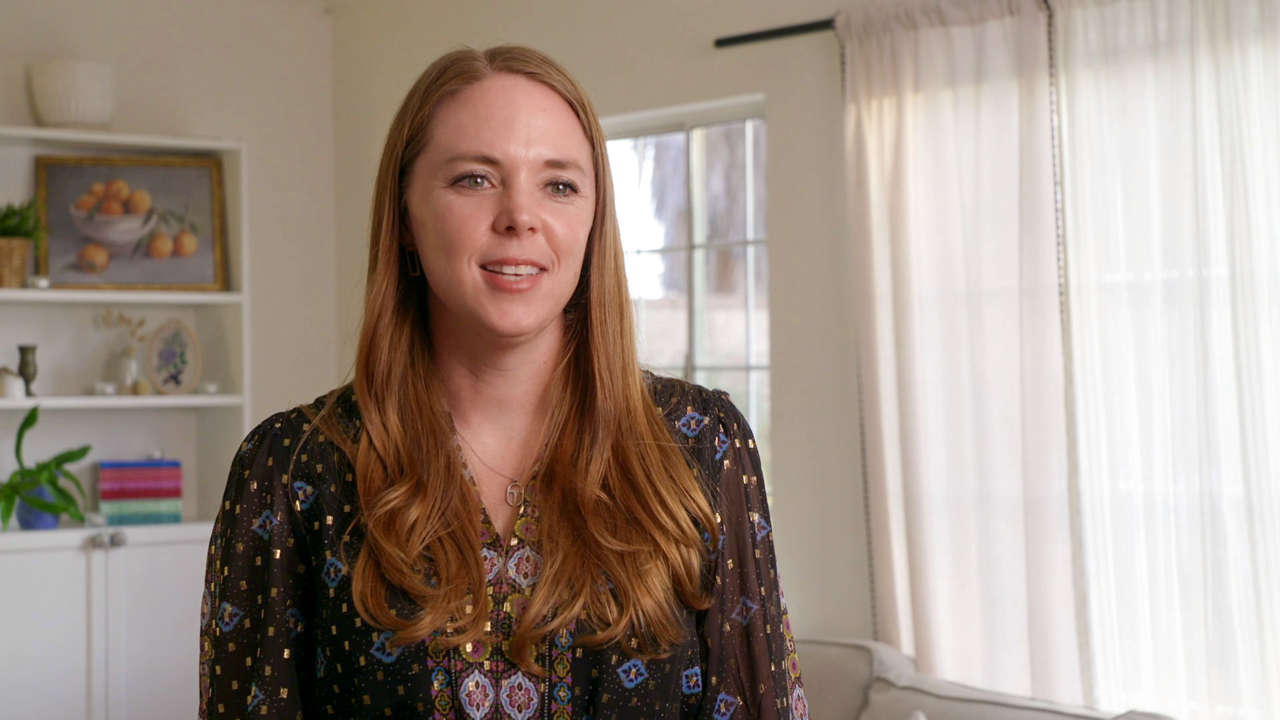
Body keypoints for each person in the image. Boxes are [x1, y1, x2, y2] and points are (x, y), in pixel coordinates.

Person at [199, 44, 807, 719]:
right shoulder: (289, 469)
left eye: (559, 185)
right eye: (474, 179)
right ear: (404, 218)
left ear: (594, 220)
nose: (520, 215)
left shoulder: (701, 445)